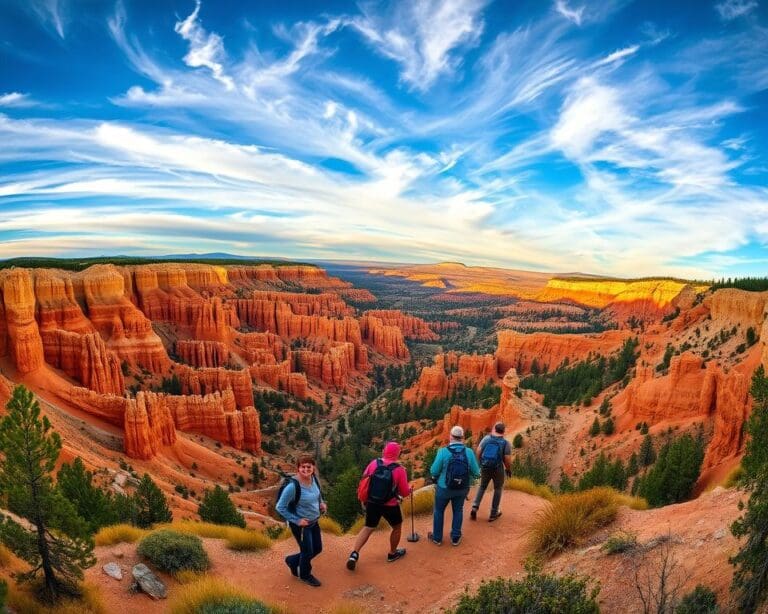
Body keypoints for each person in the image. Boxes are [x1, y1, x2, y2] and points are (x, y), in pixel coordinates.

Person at [347, 441, 411, 570]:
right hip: (390, 505)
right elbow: (404, 492)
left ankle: (354, 554)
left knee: (368, 527)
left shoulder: (374, 463)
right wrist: (410, 490)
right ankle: (392, 553)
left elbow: (364, 479)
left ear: (384, 451)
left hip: (372, 503)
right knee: (397, 527)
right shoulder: (400, 470)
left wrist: (363, 498)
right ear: (398, 454)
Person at [276, 456, 327, 587]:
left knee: (317, 548)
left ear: (313, 468)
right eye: (302, 467)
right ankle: (305, 575)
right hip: (301, 526)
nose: (306, 469)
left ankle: (292, 561)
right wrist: (296, 520)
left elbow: (317, 494)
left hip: (314, 521)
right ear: (298, 468)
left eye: (308, 466)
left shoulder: (313, 478)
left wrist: (321, 503)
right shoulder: (293, 487)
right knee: (307, 551)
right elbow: (280, 507)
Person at [428, 425, 480, 546]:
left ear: (450, 437)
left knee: (439, 511)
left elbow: (434, 471)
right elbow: (476, 473)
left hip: (444, 488)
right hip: (462, 488)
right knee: (458, 510)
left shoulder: (443, 452)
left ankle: (437, 538)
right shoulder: (469, 452)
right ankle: (455, 537)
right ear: (463, 438)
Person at [470, 422, 512, 522]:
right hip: (498, 469)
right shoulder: (505, 443)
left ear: (495, 429)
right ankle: (493, 514)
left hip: (485, 466)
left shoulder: (486, 439)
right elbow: (507, 459)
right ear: (503, 432)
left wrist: (481, 462)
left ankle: (475, 507)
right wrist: (508, 469)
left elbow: (478, 451)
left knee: (482, 486)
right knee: (497, 489)